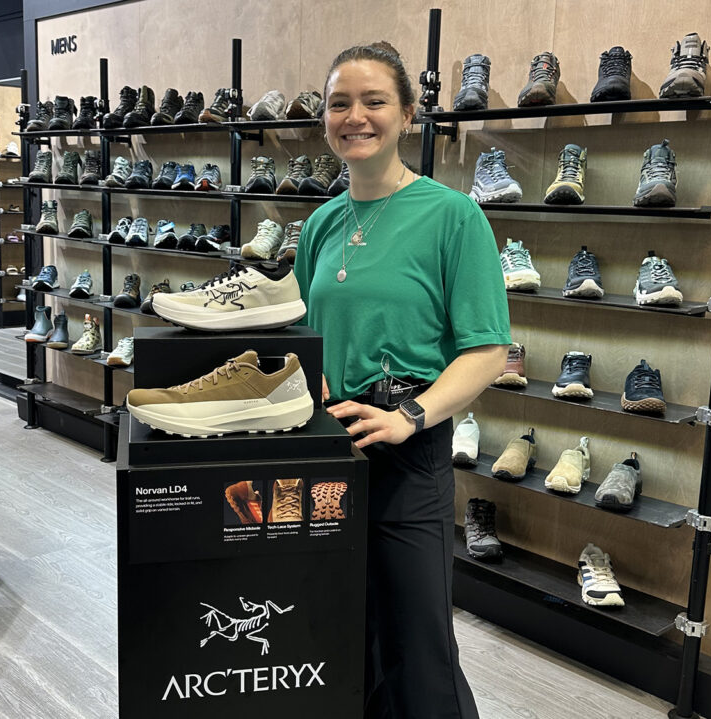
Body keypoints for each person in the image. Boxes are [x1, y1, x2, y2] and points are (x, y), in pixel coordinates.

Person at [294, 41, 512, 717]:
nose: (354, 117)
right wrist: (321, 387)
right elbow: (308, 327)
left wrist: (412, 414)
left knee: (419, 648)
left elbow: (487, 350)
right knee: (339, 637)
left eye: (373, 101)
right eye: (339, 103)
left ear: (409, 115)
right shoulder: (323, 222)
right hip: (331, 442)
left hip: (409, 446)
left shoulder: (453, 216)